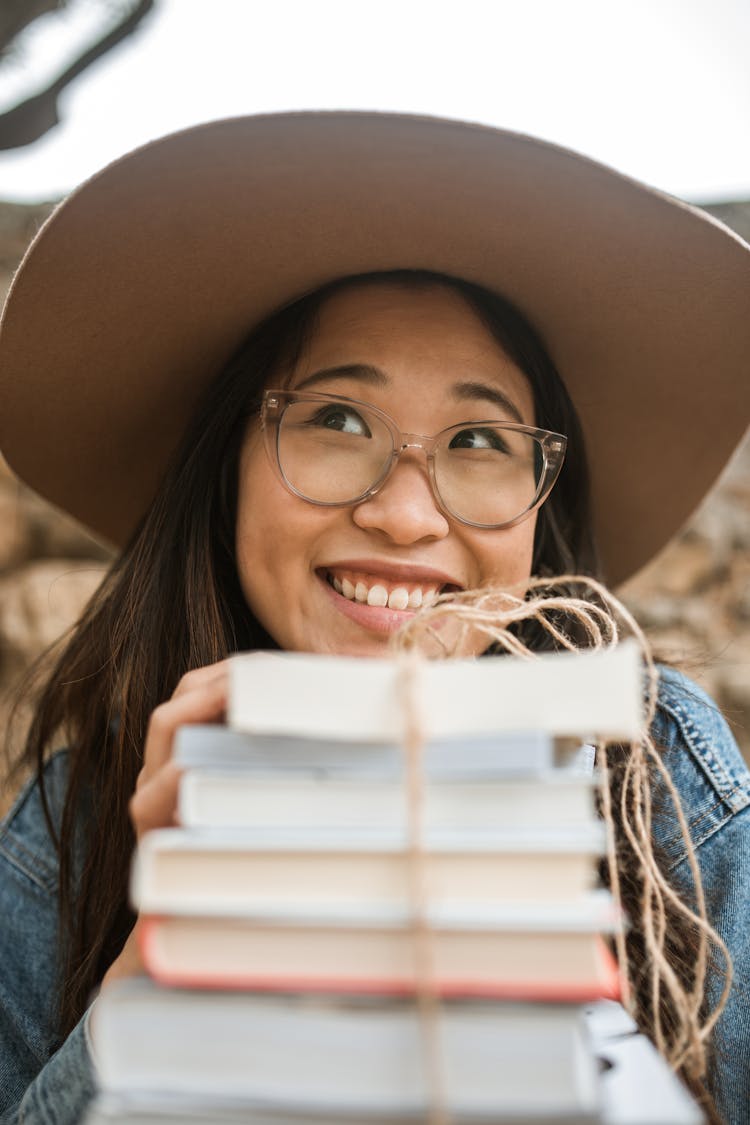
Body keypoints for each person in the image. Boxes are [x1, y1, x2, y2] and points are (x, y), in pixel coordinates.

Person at [0, 112, 748, 1125]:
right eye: (337, 420)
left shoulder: (659, 782)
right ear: (226, 465)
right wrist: (157, 965)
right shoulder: (72, 828)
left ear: (541, 504)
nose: (404, 514)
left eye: (481, 438)